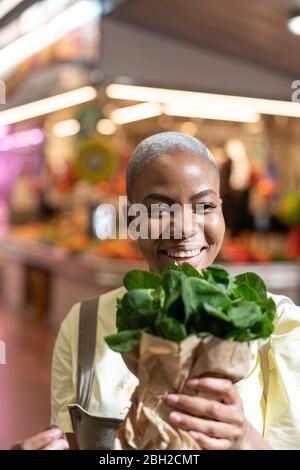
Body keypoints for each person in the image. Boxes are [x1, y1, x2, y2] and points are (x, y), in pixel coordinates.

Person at [14, 132, 300, 450]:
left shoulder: (280, 325)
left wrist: (243, 439)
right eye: (157, 210)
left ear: (222, 211)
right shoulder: (85, 324)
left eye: (204, 205)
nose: (184, 228)